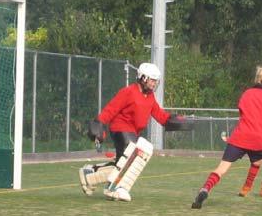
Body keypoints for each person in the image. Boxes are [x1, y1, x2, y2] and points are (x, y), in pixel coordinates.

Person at [192, 65, 262, 210]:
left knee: (222, 168)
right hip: (257, 139)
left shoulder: (246, 94)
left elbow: (248, 117)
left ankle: (205, 189)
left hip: (239, 137)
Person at [78, 62, 188, 198]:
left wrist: (175, 121)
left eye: (156, 81)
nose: (155, 84)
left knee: (121, 164)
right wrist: (99, 123)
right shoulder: (128, 92)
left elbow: (160, 115)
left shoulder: (150, 97)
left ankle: (89, 174)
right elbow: (111, 109)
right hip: (120, 128)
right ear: (143, 78)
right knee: (135, 156)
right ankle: (113, 189)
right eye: (153, 80)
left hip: (133, 132)